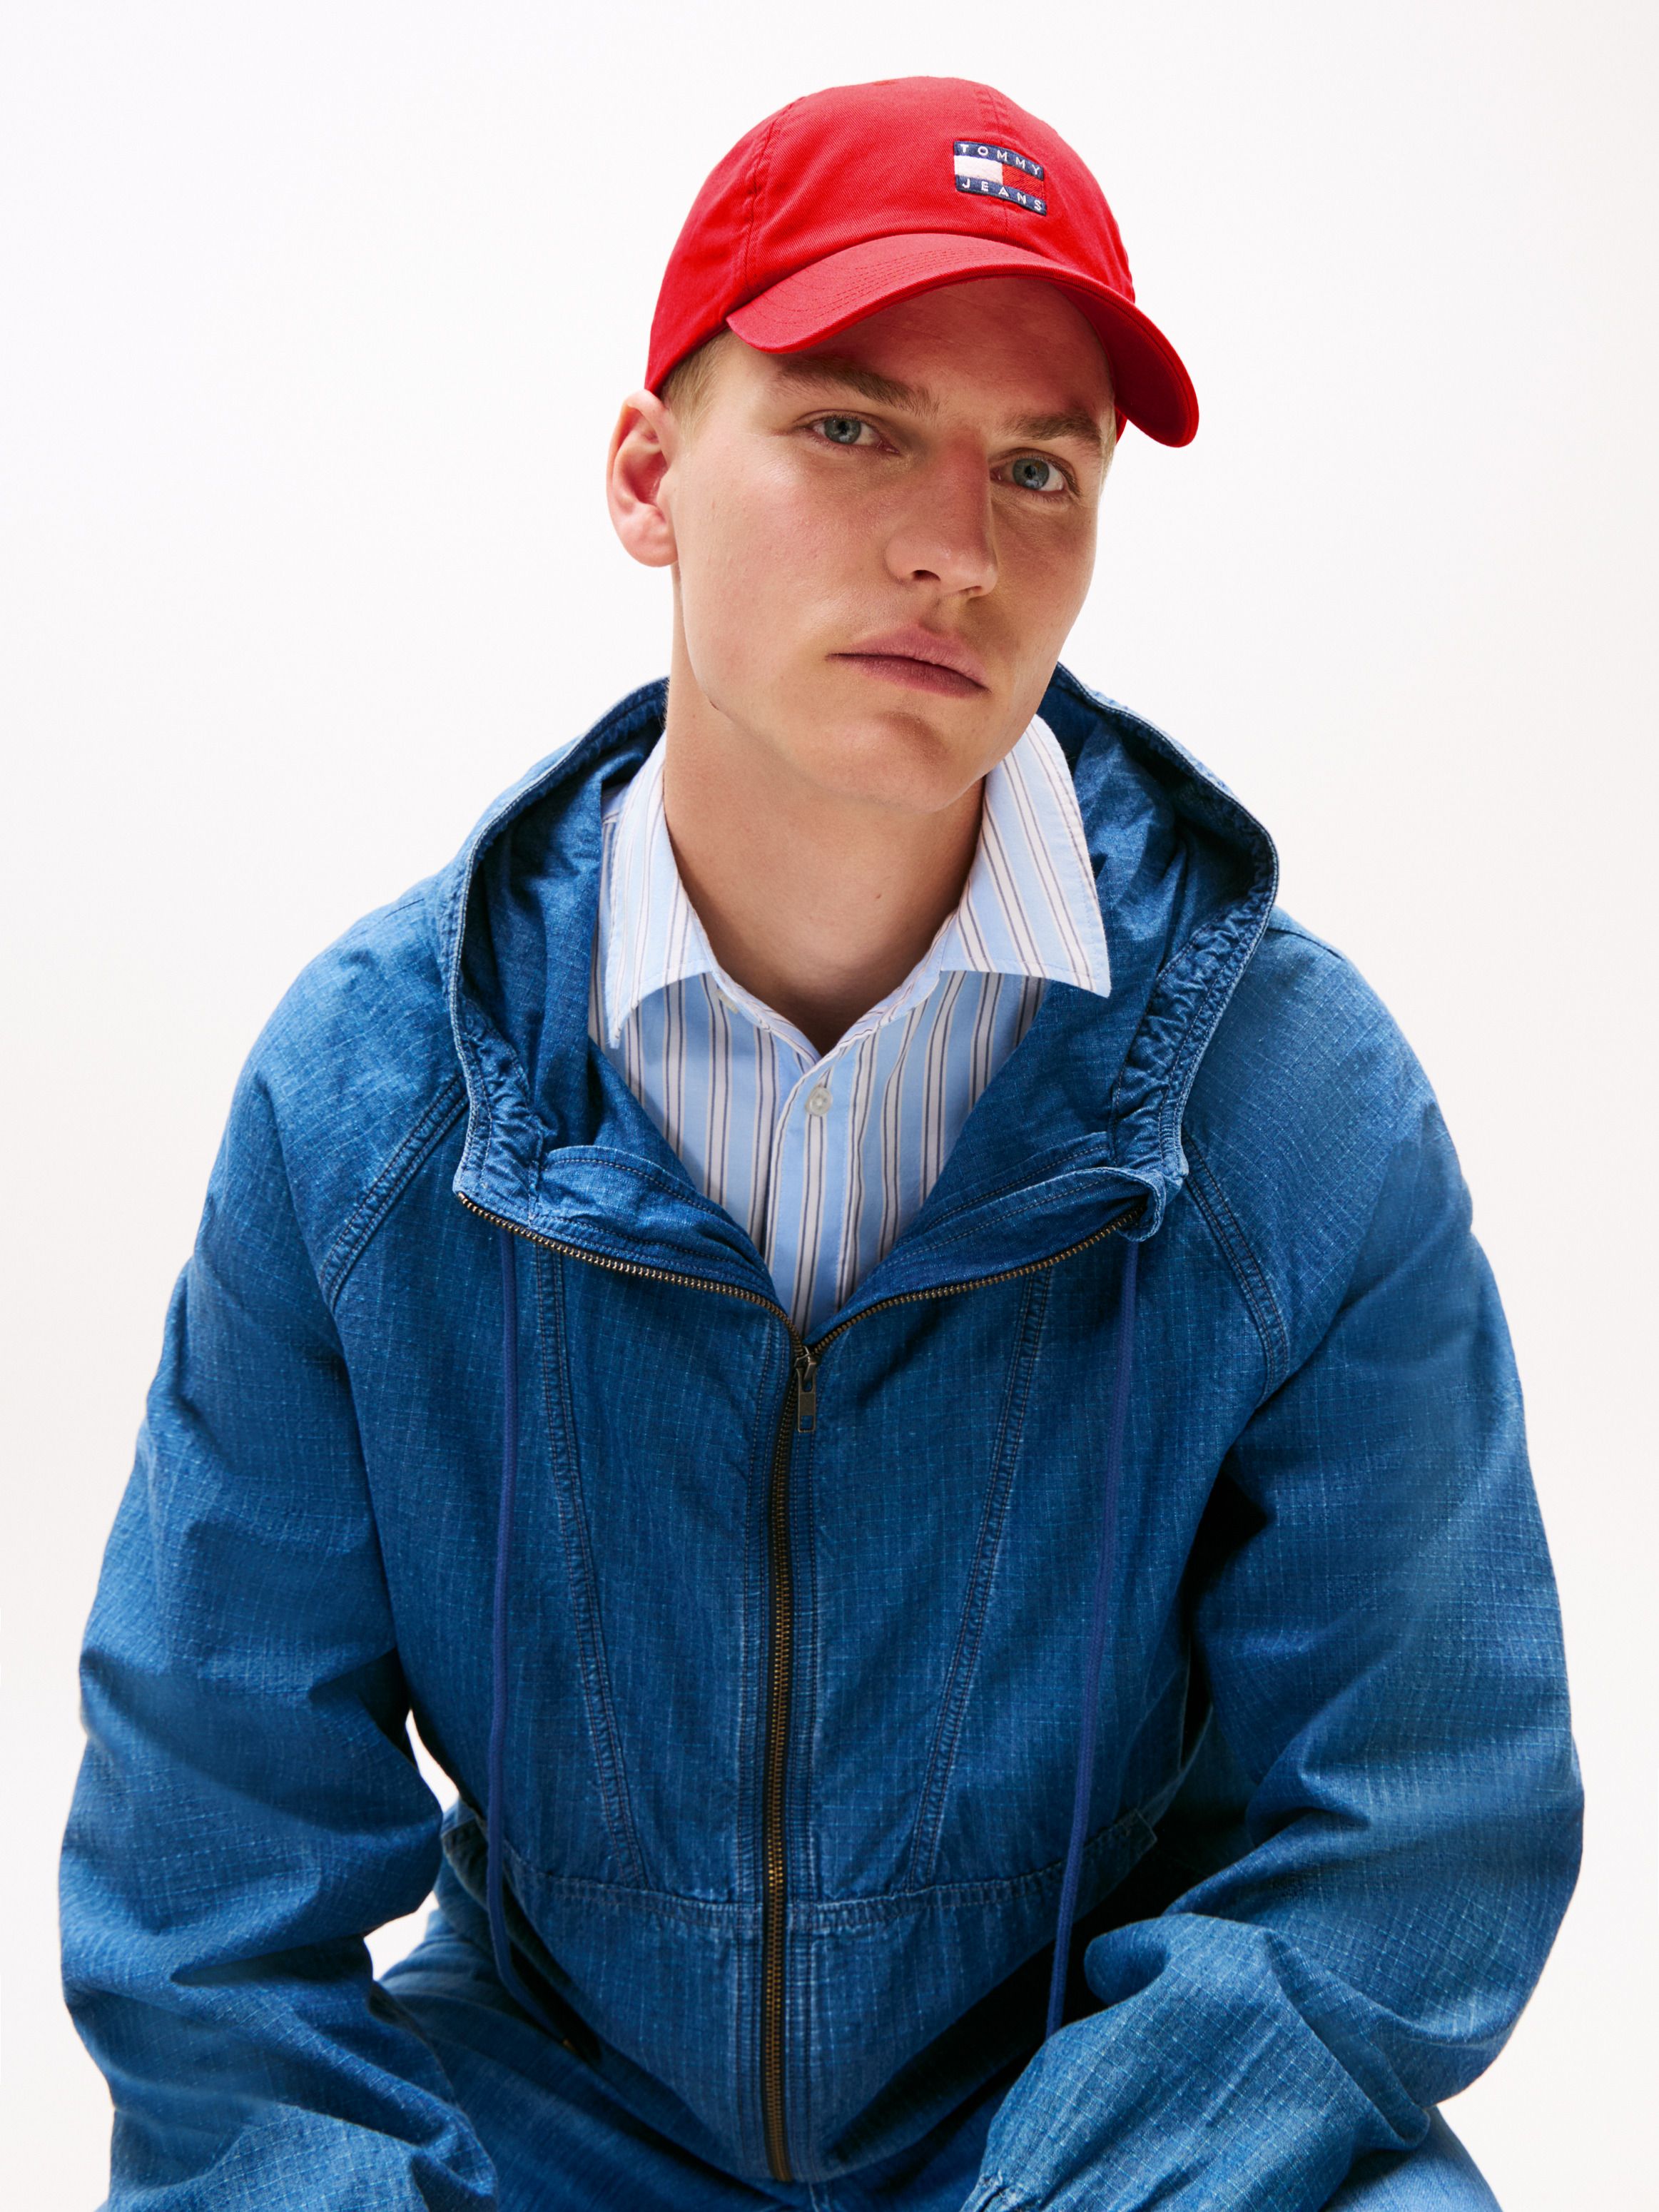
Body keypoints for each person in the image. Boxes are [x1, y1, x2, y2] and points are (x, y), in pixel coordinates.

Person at [61, 76, 1581, 2212]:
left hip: (1094, 2098)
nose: (959, 544)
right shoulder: (374, 1099)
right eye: (854, 426)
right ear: (648, 474)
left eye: (1038, 467)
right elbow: (213, 1884)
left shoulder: (1289, 1104)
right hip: (551, 2110)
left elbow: (1417, 1826)